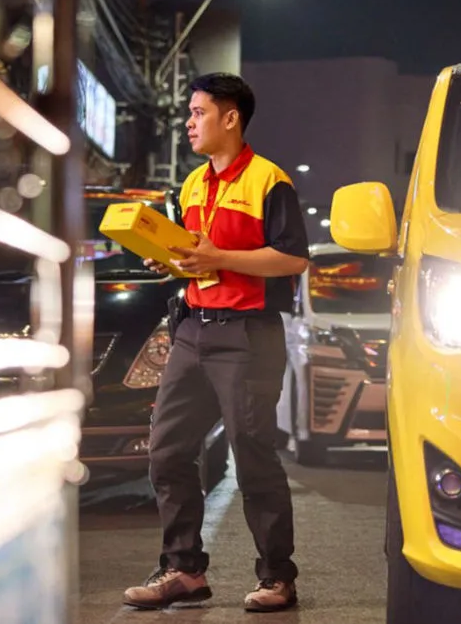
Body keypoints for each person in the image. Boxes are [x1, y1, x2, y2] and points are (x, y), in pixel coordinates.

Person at [121, 73, 310, 613]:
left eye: (198, 112)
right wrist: (171, 261)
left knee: (252, 457)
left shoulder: (269, 182)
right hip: (192, 330)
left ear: (231, 117)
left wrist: (218, 259)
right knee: (168, 451)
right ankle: (183, 571)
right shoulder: (192, 185)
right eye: (189, 112)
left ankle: (277, 577)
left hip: (247, 336)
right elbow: (193, 255)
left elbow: (292, 258)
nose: (189, 122)